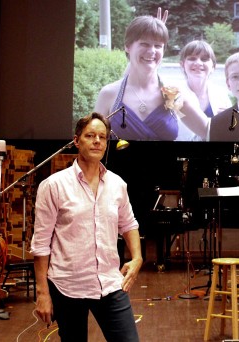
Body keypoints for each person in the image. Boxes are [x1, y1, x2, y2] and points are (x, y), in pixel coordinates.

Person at [30, 112, 144, 341]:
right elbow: (41, 244)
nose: (97, 141)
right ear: (76, 140)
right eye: (90, 135)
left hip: (110, 283)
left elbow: (129, 223)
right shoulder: (53, 186)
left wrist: (138, 258)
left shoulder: (117, 184)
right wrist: (43, 293)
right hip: (67, 286)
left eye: (102, 137)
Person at [94, 15, 209, 141]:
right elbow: (92, 145)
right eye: (144, 44)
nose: (152, 51)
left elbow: (208, 131)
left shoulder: (173, 95)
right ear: (127, 46)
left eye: (158, 46)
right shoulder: (109, 94)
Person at [175, 40, 232, 141]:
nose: (198, 63)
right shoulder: (173, 96)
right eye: (192, 58)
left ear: (213, 67)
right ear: (182, 64)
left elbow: (231, 131)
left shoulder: (222, 95)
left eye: (204, 59)